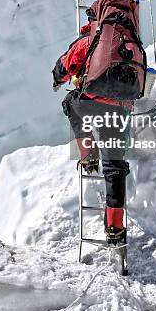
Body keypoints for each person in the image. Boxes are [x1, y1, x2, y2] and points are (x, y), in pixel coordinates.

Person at [52, 21, 130, 245]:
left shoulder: (87, 42)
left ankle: (88, 155)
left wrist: (56, 80)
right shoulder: (130, 44)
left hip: (91, 102)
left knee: (70, 104)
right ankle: (115, 227)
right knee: (114, 165)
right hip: (119, 108)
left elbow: (63, 67)